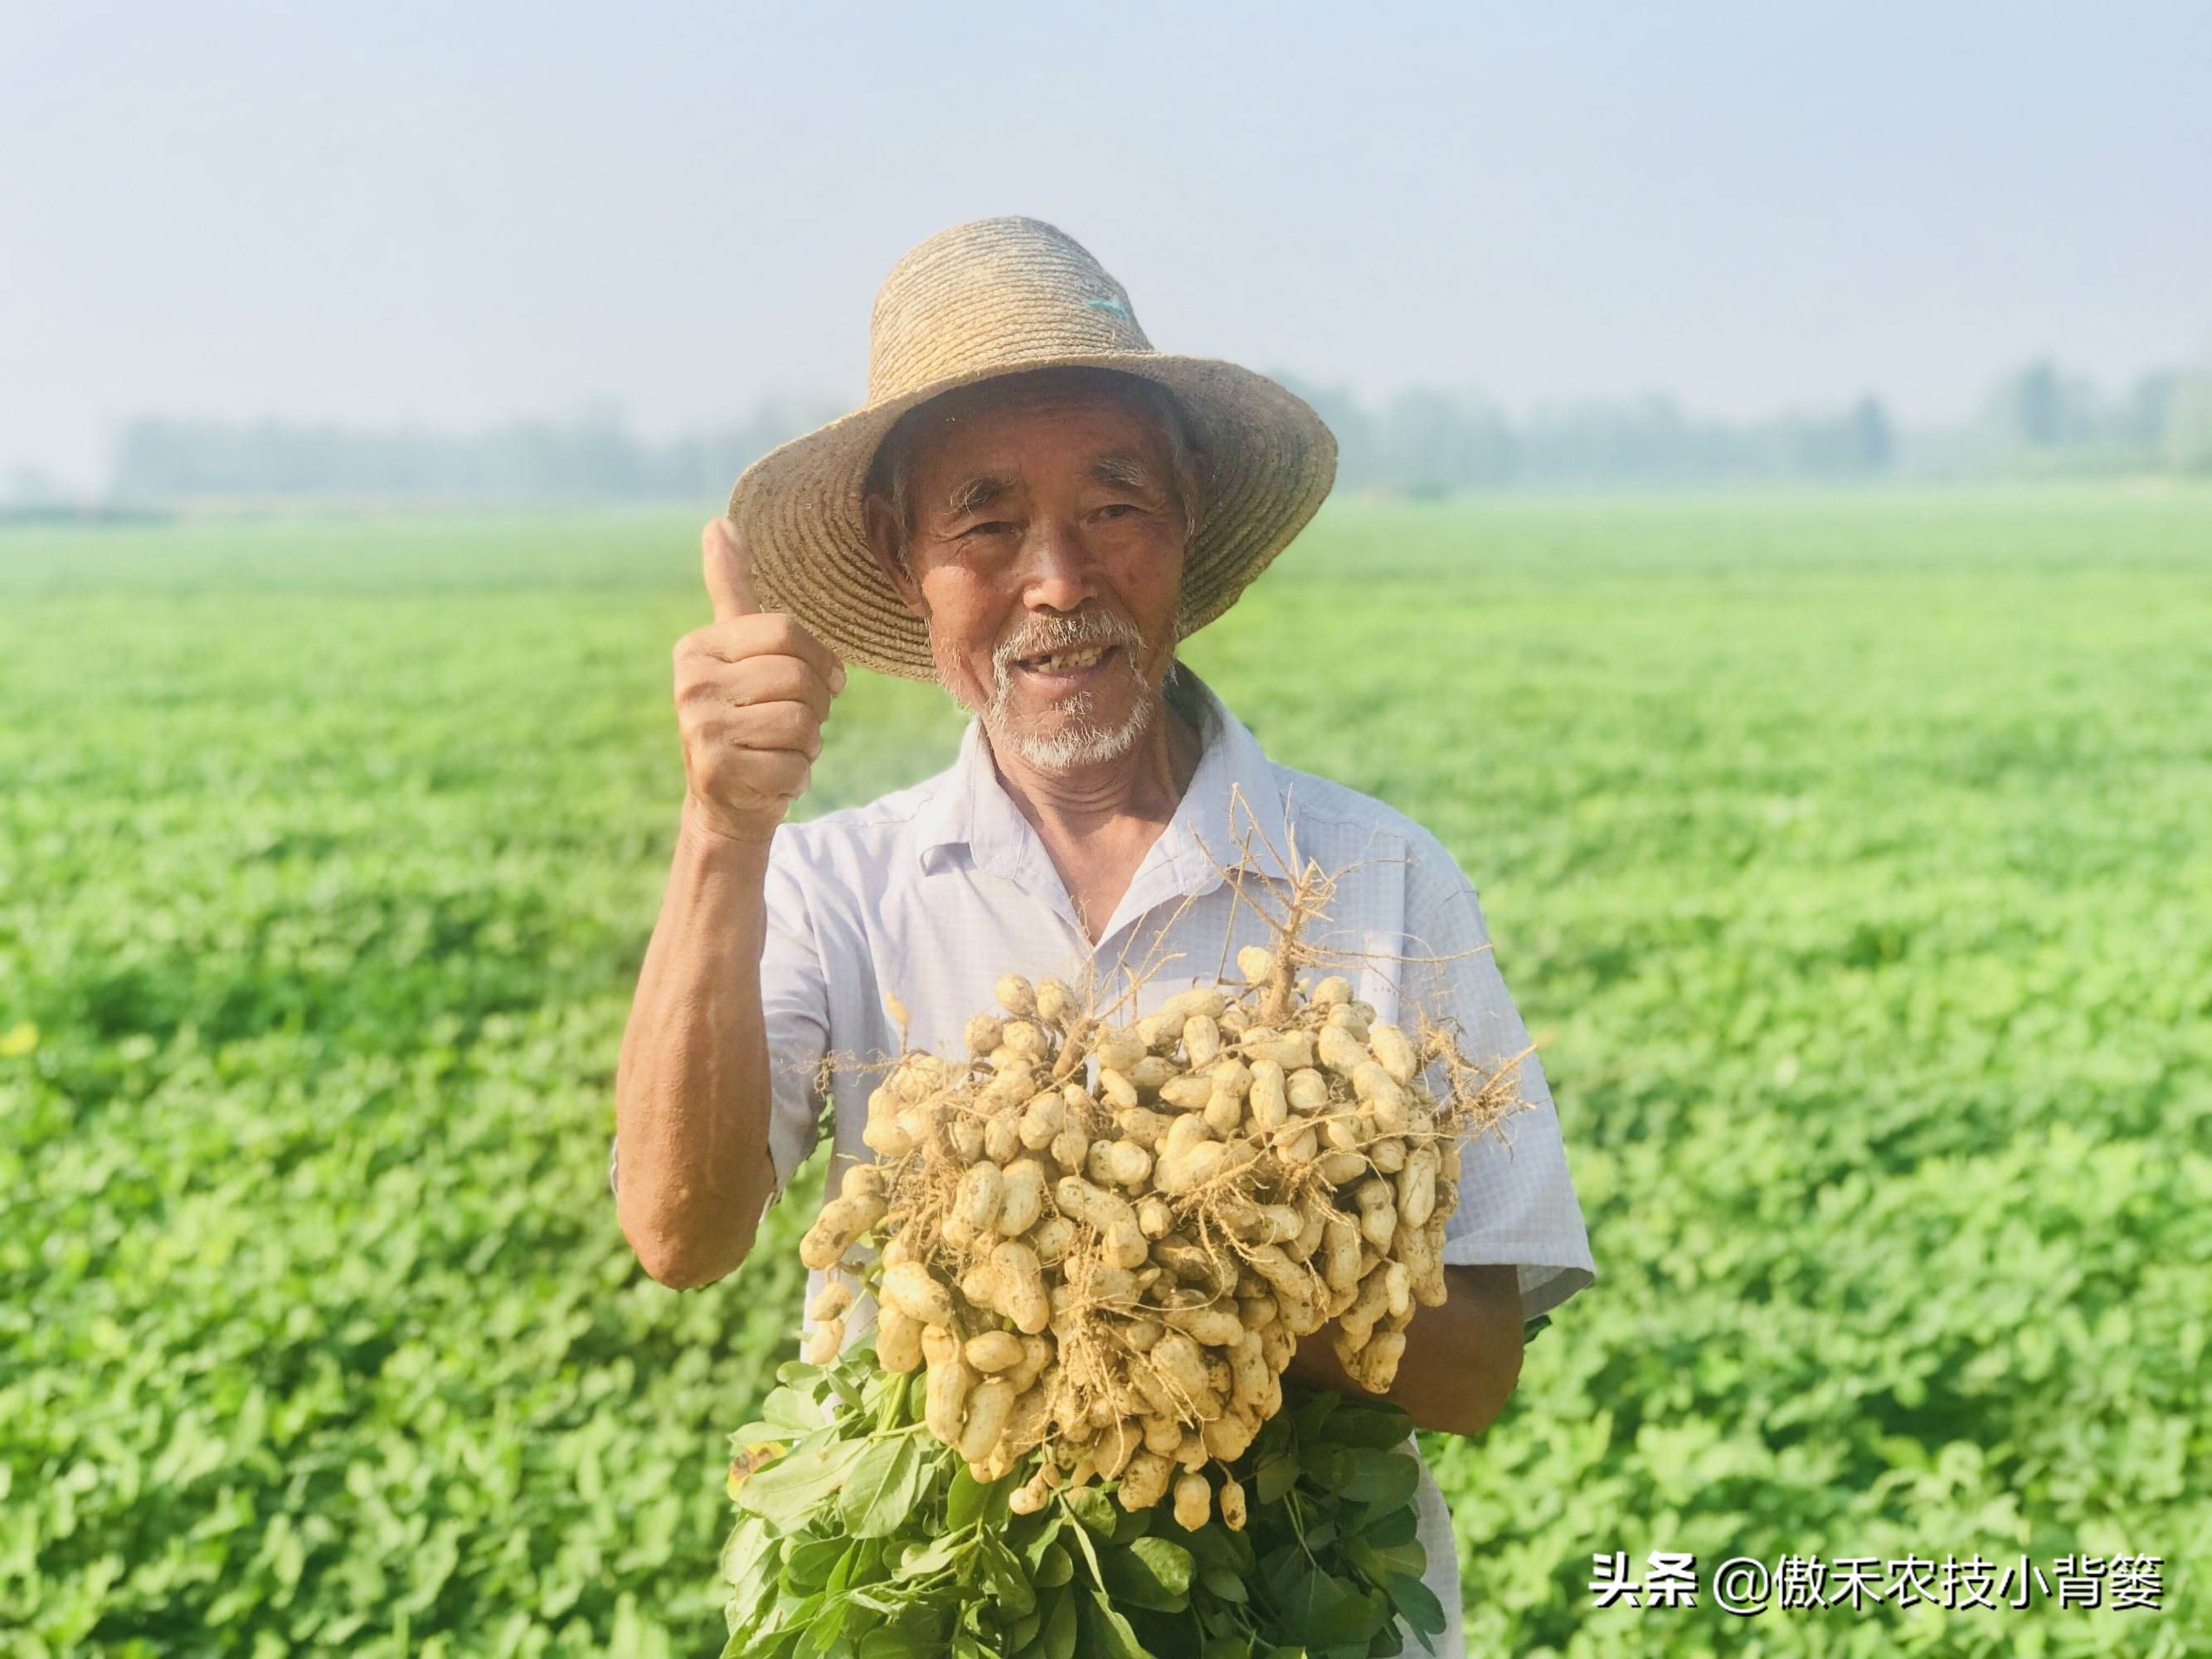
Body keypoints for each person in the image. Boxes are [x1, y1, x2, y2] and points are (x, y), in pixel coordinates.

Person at [612, 216, 1594, 1653]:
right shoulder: (838, 887)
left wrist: (1186, 1261)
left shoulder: (1378, 879)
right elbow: (681, 1232)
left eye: (1114, 507)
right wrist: (721, 830)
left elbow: (1473, 1370)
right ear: (904, 561)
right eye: (987, 523)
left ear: (1188, 522)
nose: (1059, 582)